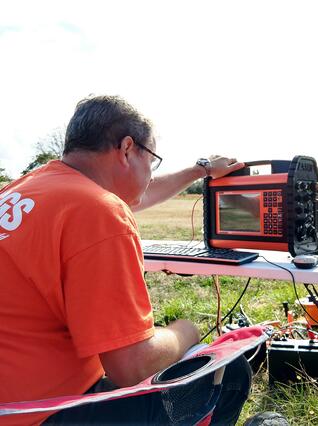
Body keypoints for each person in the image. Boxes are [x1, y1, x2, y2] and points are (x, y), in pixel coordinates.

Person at [0, 95, 251, 425]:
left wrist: (198, 170)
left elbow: (136, 191)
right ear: (128, 149)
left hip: (13, 399)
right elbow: (131, 368)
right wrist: (185, 332)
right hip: (43, 413)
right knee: (231, 370)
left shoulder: (25, 190)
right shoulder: (98, 210)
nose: (150, 173)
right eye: (153, 159)